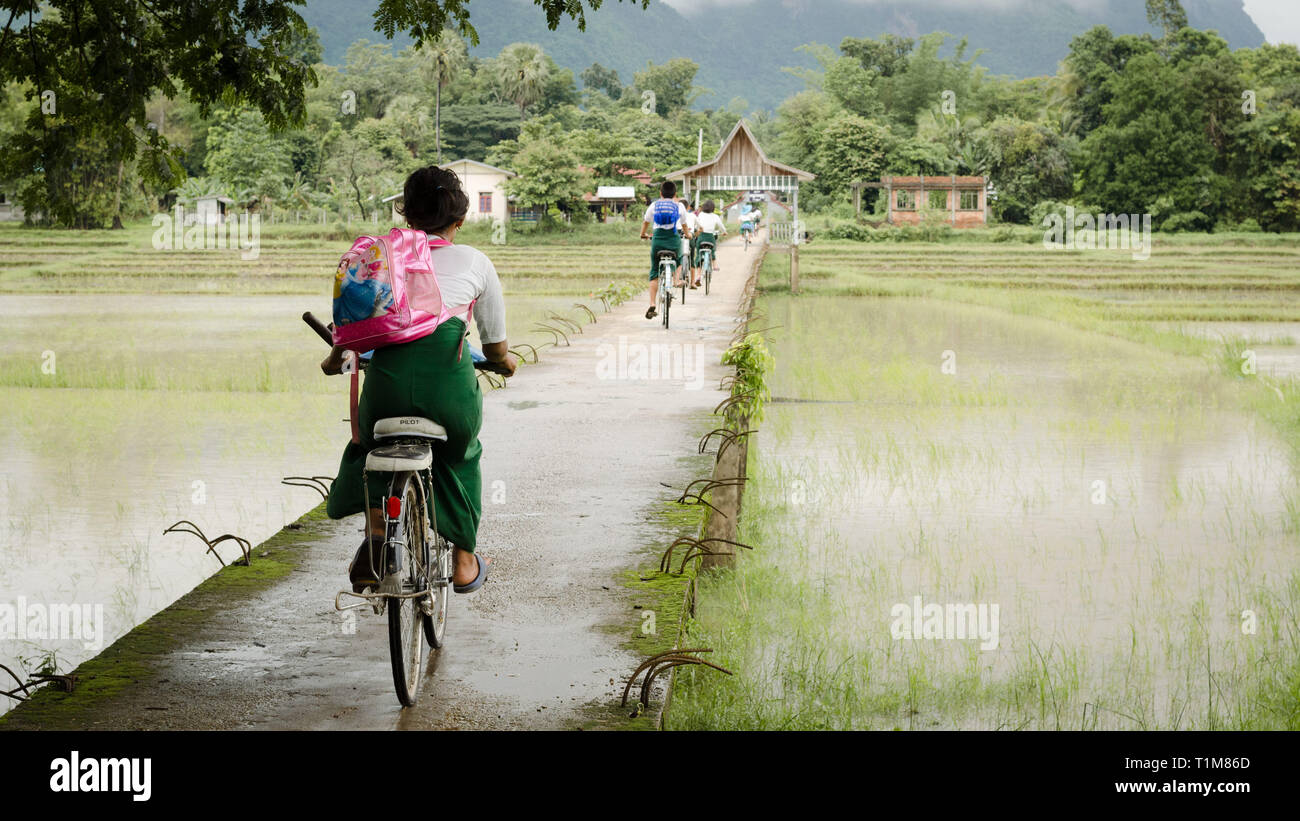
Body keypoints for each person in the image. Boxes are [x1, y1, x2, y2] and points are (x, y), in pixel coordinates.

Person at [320, 165, 518, 594]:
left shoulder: (379, 258)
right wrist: (503, 363)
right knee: (463, 455)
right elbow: (496, 346)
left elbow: (350, 328)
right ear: (460, 220)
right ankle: (464, 560)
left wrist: (336, 358)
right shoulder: (476, 262)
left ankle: (376, 536)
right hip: (449, 393)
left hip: (386, 393)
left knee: (365, 447)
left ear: (406, 215)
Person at [639, 180, 688, 319]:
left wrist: (643, 234)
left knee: (654, 270)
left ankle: (652, 303)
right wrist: (689, 234)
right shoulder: (679, 206)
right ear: (675, 194)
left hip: (658, 240)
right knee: (679, 259)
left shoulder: (654, 205)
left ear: (660, 193)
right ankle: (676, 280)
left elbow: (645, 222)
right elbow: (684, 225)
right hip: (673, 240)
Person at [692, 200, 727, 287]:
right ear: (713, 208)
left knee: (699, 254)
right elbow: (721, 225)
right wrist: (724, 232)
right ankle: (715, 265)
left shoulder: (700, 214)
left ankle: (698, 276)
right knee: (712, 249)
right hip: (710, 237)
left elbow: (697, 225)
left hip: (701, 237)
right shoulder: (715, 216)